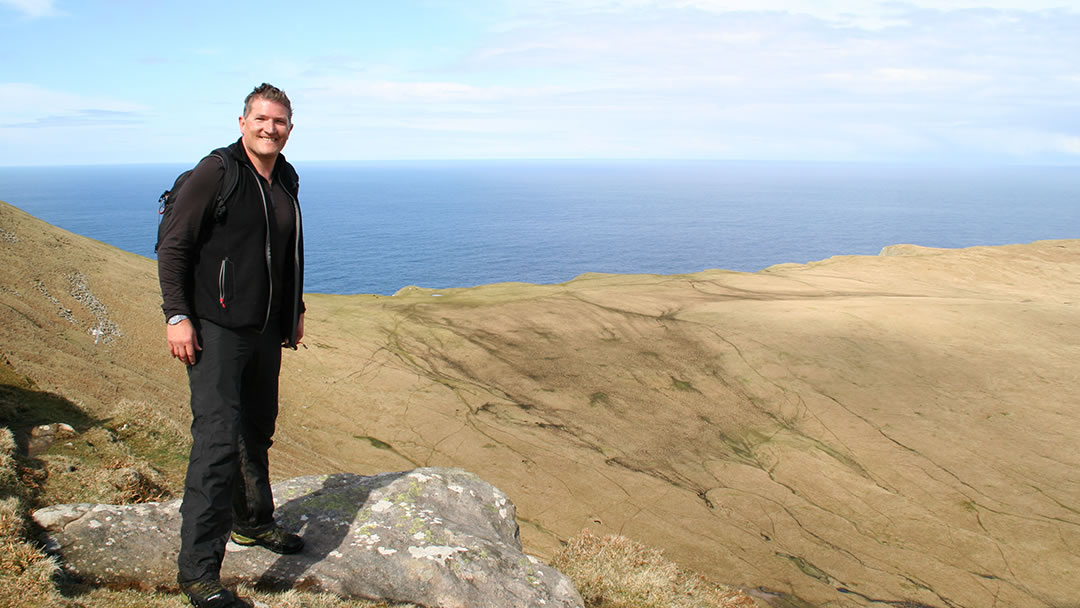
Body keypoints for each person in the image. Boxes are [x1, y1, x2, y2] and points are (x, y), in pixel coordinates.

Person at [158, 83, 305, 608]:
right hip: (215, 328)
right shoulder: (216, 171)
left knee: (257, 429)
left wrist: (296, 311)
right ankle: (198, 574)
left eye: (280, 121)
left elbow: (283, 252)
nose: (271, 128)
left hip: (265, 330)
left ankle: (253, 523)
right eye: (262, 119)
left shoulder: (285, 176)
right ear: (243, 121)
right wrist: (177, 315)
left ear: (290, 128)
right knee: (217, 445)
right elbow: (174, 244)